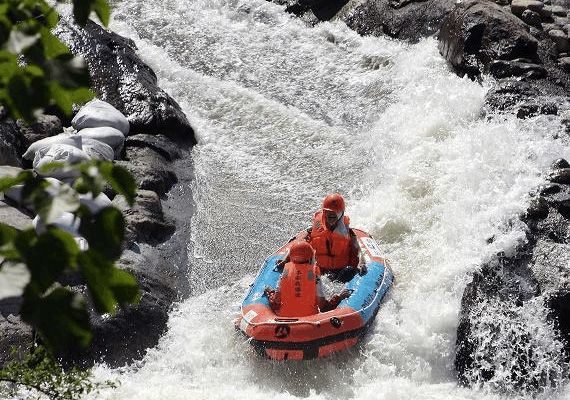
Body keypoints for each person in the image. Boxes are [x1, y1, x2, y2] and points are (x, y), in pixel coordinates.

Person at [279, 194, 366, 282]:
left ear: (341, 213)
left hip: (341, 272)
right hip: (319, 271)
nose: (332, 214)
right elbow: (298, 245)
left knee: (349, 270)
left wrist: (361, 262)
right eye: (328, 212)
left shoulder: (348, 232)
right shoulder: (315, 228)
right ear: (324, 212)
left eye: (336, 212)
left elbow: (358, 249)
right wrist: (285, 260)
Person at [264, 241, 350, 317]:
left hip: (285, 317)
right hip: (309, 320)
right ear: (310, 257)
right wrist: (339, 297)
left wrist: (270, 292)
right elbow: (323, 307)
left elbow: (276, 301)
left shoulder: (286, 271)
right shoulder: (313, 273)